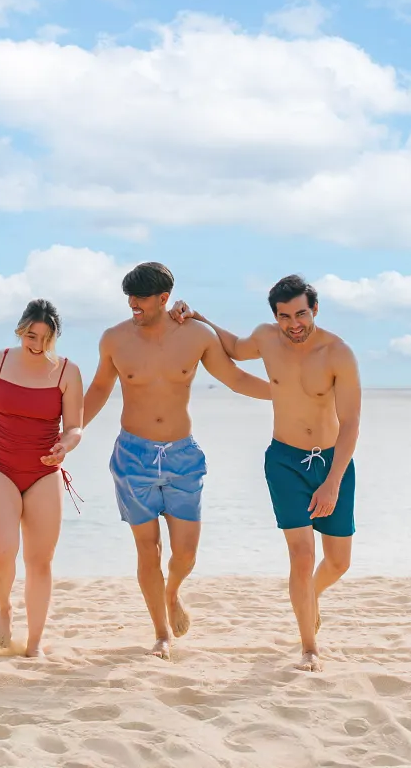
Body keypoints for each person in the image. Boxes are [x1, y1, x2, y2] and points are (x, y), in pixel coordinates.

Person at [171, 274, 361, 673]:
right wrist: (200, 317)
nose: (294, 323)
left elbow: (351, 424)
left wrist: (332, 484)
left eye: (301, 314)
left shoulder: (337, 353)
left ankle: (310, 597)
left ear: (315, 309)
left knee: (338, 561)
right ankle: (309, 646)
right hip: (284, 461)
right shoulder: (266, 337)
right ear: (274, 315)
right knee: (301, 554)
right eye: (284, 316)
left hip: (331, 463)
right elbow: (237, 351)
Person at [83, 262, 271, 660]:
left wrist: (287, 395)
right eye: (129, 298)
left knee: (185, 553)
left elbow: (235, 378)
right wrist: (71, 431)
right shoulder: (114, 339)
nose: (133, 304)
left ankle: (172, 593)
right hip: (132, 456)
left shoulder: (197, 335)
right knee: (147, 549)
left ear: (164, 298)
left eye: (141, 298)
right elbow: (100, 387)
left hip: (182, 456)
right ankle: (161, 632)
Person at [0, 299, 84, 658]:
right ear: (20, 329)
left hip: (44, 470)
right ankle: (4, 608)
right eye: (30, 335)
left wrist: (65, 445)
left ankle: (36, 642)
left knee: (40, 560)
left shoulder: (67, 372)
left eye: (45, 338)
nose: (36, 344)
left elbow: (74, 426)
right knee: (1, 552)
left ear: (54, 338)